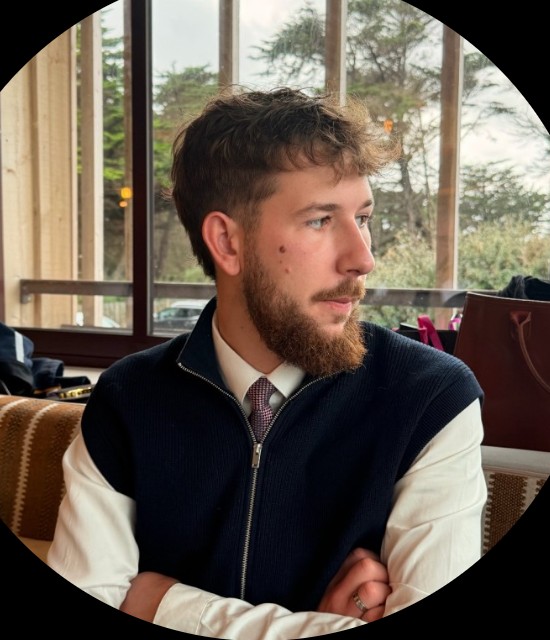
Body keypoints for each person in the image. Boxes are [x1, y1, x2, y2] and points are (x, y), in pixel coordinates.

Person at [47, 86, 487, 638]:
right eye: (320, 220)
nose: (363, 258)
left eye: (363, 217)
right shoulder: (129, 397)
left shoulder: (431, 398)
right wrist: (317, 625)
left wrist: (159, 603)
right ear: (227, 242)